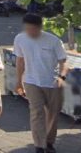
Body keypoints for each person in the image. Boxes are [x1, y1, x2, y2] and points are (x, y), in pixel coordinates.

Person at [14, 13, 68, 153]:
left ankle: (49, 142)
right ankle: (39, 145)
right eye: (27, 28)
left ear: (40, 27)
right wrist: (18, 82)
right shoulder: (20, 38)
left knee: (52, 114)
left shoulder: (53, 41)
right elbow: (20, 61)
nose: (29, 32)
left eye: (32, 29)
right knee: (37, 113)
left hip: (53, 83)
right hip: (31, 82)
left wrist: (62, 78)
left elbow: (63, 62)